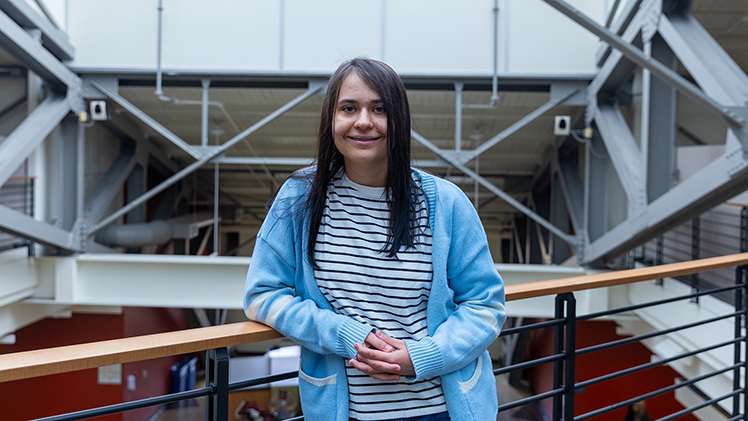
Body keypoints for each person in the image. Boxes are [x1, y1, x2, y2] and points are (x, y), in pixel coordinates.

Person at [244, 57, 506, 421]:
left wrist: (421, 357)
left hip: (441, 410)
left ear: (399, 120)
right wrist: (344, 333)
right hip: (344, 413)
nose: (363, 121)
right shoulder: (299, 197)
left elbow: (485, 305)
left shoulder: (445, 203)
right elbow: (262, 295)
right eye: (349, 108)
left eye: (379, 109)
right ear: (331, 120)